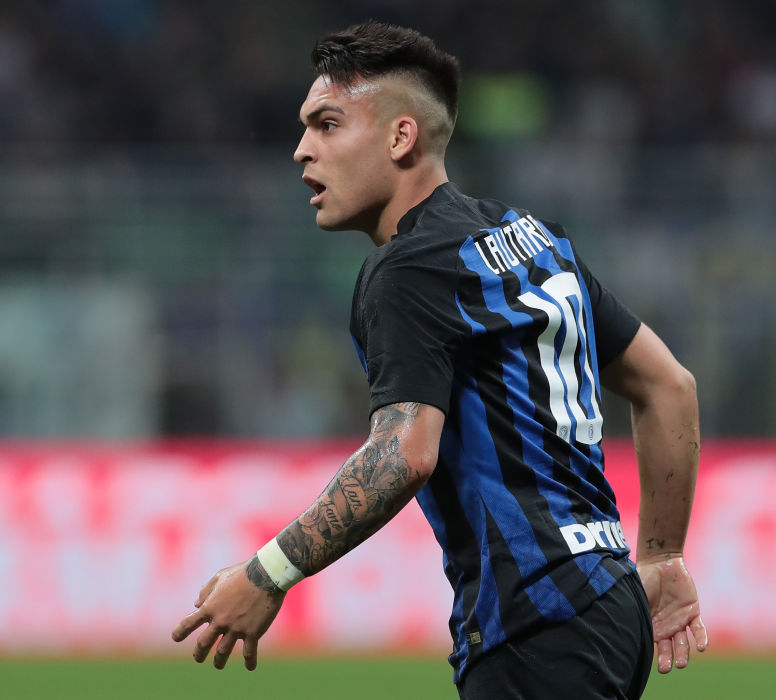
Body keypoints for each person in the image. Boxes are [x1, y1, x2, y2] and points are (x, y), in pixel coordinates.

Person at [172, 20, 708, 699]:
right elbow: (670, 386)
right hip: (609, 600)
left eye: (328, 125)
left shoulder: (408, 269)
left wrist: (267, 574)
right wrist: (662, 556)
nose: (303, 149)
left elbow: (402, 455)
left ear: (401, 137)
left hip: (534, 621)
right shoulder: (534, 240)